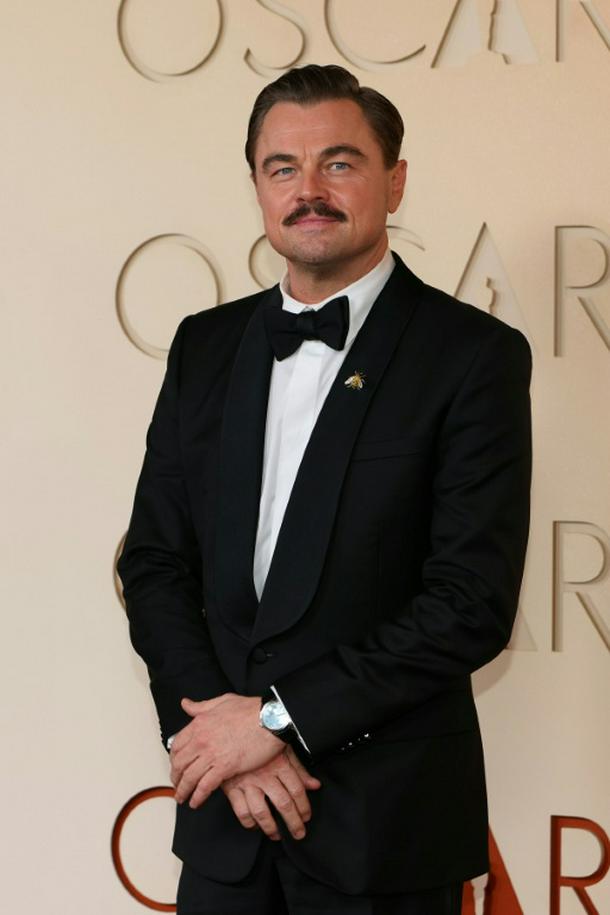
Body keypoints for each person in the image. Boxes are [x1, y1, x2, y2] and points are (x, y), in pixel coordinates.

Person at [118, 64, 532, 915]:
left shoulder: (472, 356)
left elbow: (469, 603)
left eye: (339, 162)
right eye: (283, 167)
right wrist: (219, 736)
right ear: (258, 188)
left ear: (395, 180)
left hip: (385, 834)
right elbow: (155, 563)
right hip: (226, 825)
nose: (308, 190)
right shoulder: (204, 346)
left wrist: (272, 722)